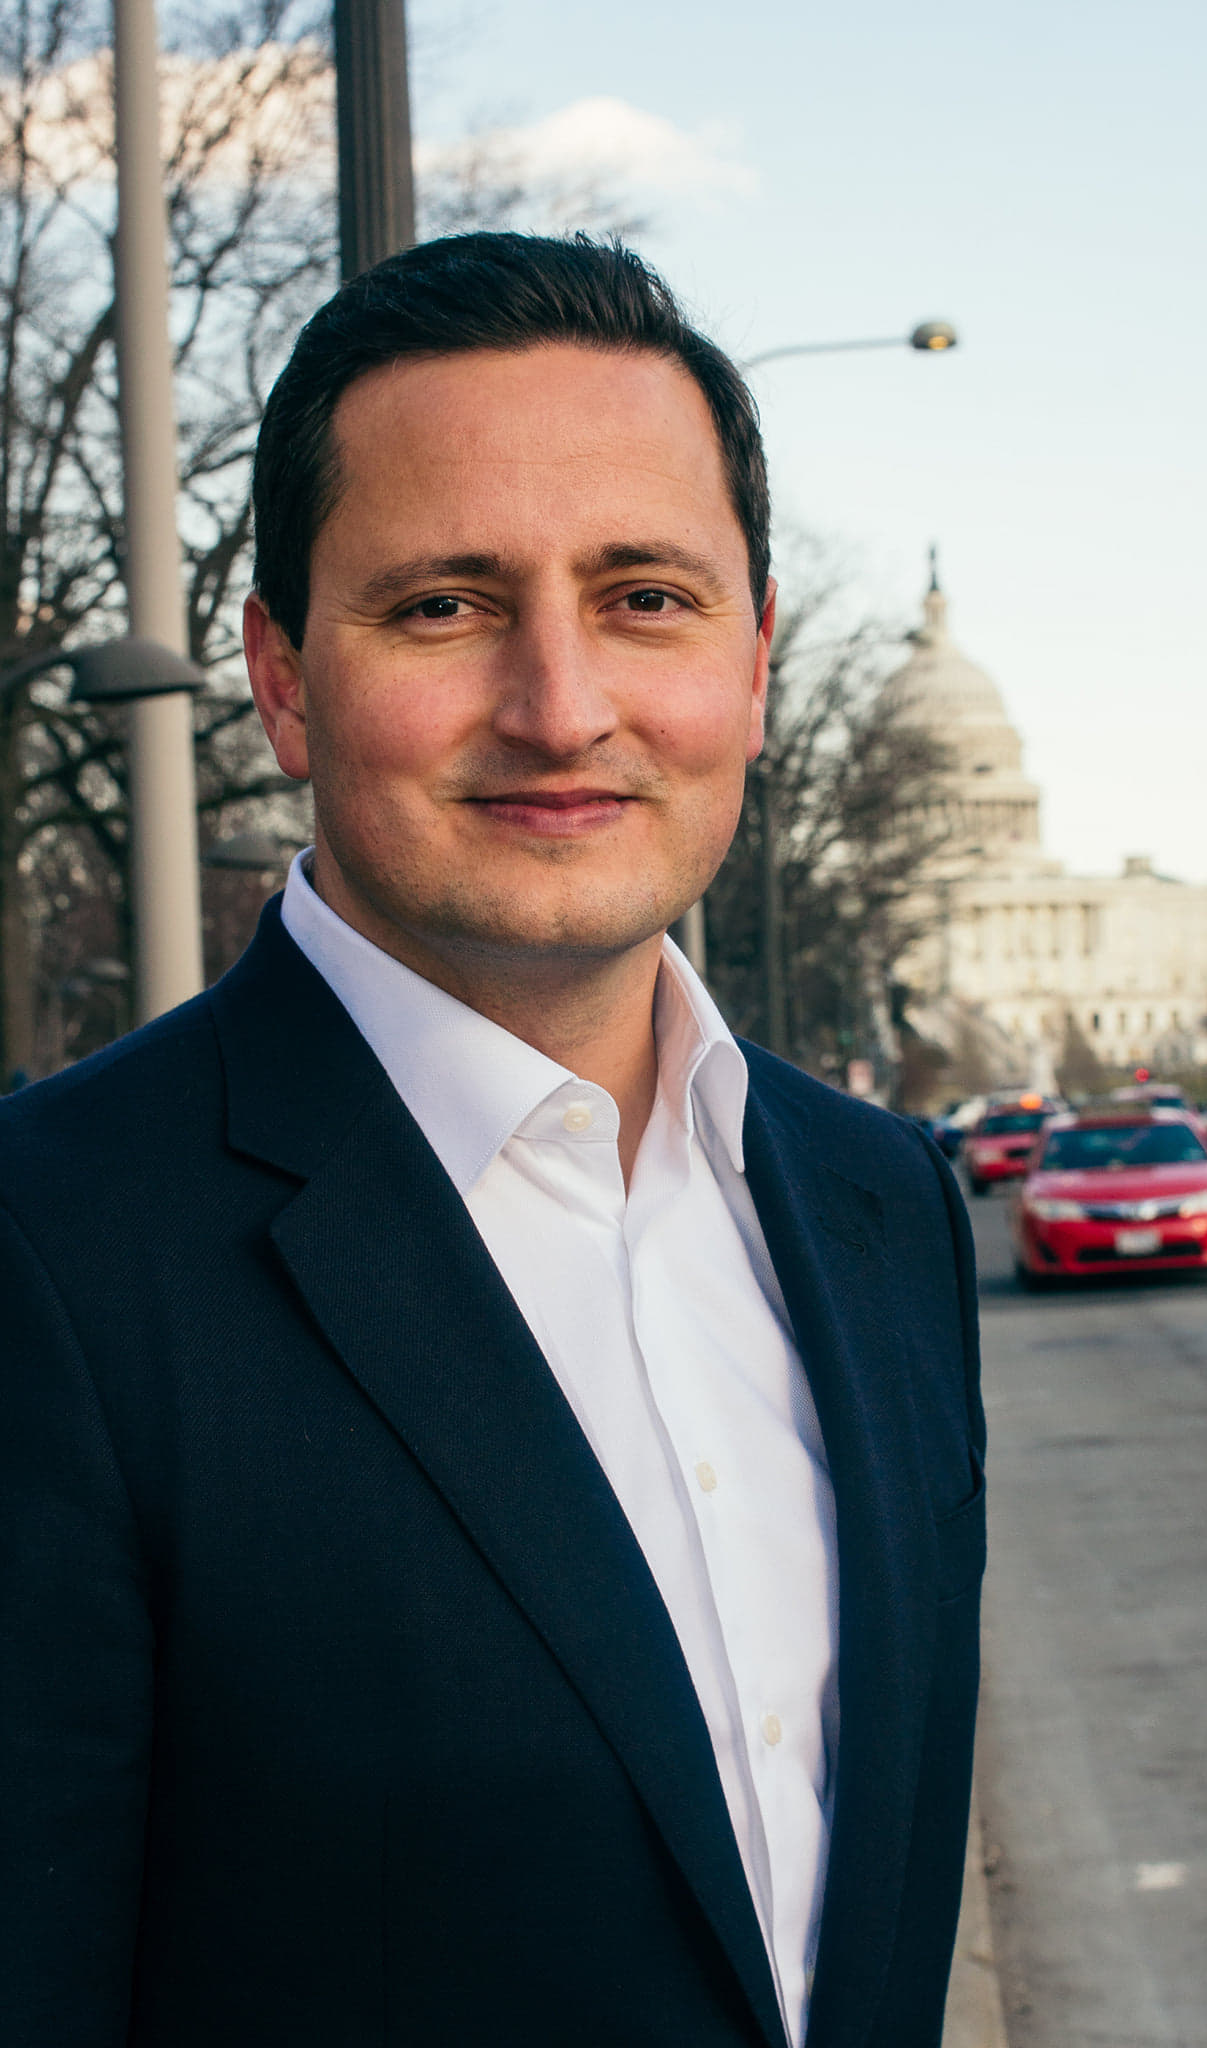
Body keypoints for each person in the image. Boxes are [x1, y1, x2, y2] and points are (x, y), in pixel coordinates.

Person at [0, 233, 985, 2048]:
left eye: (646, 597)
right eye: (445, 606)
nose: (560, 707)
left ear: (756, 666)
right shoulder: (45, 1258)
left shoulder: (883, 1209)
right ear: (283, 680)